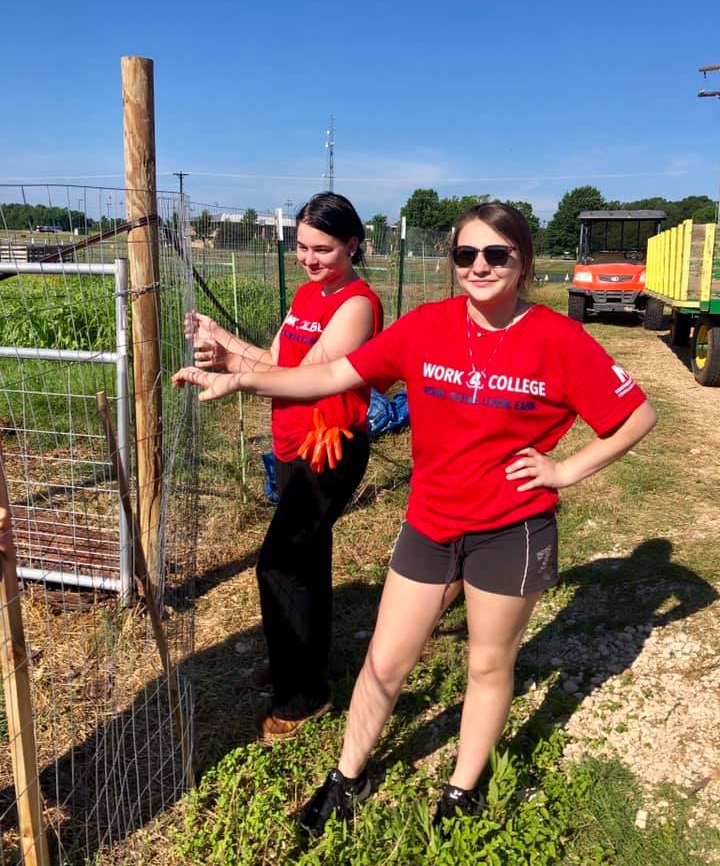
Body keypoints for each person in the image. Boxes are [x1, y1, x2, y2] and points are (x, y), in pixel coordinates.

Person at [174, 202, 657, 831]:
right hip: (430, 522)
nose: (478, 267)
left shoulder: (558, 338)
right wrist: (240, 379)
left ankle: (462, 786)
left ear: (523, 260)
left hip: (511, 529)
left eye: (496, 255)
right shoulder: (425, 327)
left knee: (487, 663)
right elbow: (329, 375)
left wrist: (564, 471)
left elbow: (637, 416)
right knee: (384, 659)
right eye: (465, 255)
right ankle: (348, 775)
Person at [185, 192, 383, 742]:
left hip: (331, 447)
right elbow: (276, 361)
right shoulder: (305, 295)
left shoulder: (357, 305)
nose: (309, 259)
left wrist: (235, 369)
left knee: (279, 561)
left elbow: (309, 375)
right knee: (307, 558)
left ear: (352, 245)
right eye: (301, 247)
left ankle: (304, 696)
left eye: (322, 248)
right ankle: (298, 661)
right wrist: (222, 342)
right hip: (294, 444)